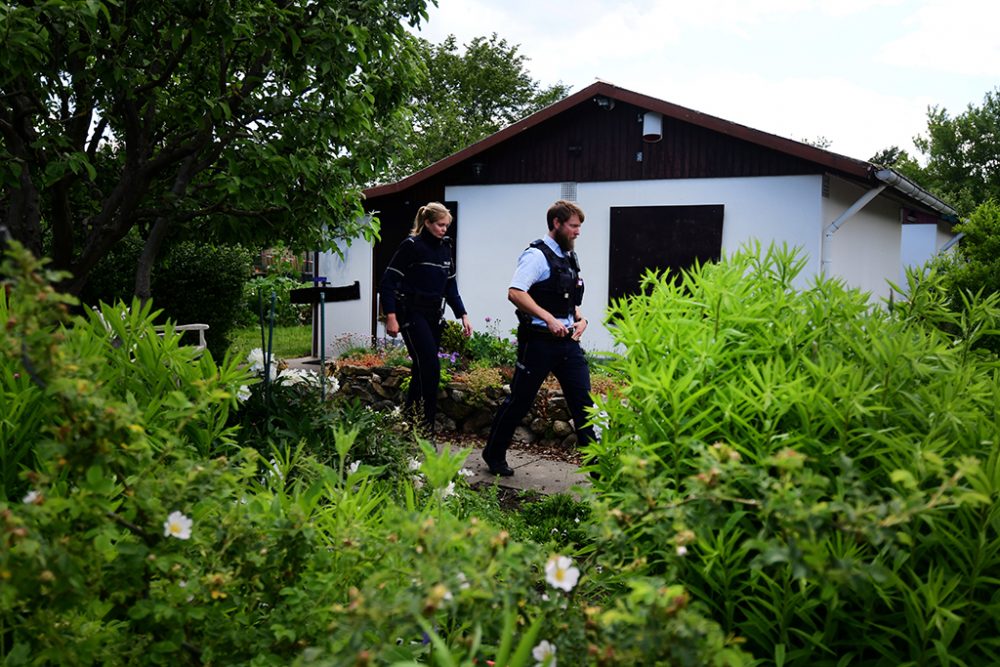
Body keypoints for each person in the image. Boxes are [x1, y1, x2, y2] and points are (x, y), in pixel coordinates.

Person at [482, 200, 597, 476]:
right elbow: (516, 292)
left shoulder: (569, 257)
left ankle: (597, 468)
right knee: (520, 401)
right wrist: (547, 318)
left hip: (568, 343)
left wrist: (581, 320)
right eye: (573, 226)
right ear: (556, 224)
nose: (578, 232)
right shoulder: (536, 256)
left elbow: (567, 302)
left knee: (584, 403)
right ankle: (494, 454)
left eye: (579, 227)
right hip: (538, 342)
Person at [380, 202, 472, 433]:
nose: (444, 229)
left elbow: (450, 286)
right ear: (428, 223)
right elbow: (388, 282)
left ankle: (411, 423)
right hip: (411, 313)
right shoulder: (412, 246)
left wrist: (462, 314)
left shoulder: (444, 248)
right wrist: (391, 316)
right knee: (430, 367)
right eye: (440, 225)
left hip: (433, 315)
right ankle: (425, 427)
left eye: (446, 226)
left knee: (422, 370)